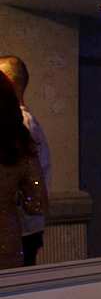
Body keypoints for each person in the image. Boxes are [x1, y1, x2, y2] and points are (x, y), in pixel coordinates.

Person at [0, 55, 51, 265]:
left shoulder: (22, 126)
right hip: (13, 232)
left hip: (23, 229)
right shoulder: (17, 130)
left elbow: (36, 199)